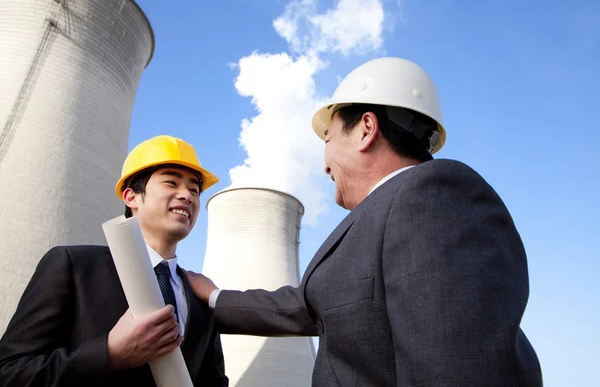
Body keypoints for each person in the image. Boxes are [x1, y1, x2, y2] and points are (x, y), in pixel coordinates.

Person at [185, 58, 543, 386]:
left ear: (366, 129)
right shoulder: (386, 216)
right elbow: (307, 304)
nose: (325, 165)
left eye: (328, 138)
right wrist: (214, 297)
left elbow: (455, 365)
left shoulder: (434, 196)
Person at [0, 135, 228, 386]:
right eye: (171, 183)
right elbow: (9, 372)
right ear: (131, 197)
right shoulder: (73, 266)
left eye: (194, 190)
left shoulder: (201, 295)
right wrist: (108, 354)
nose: (187, 196)